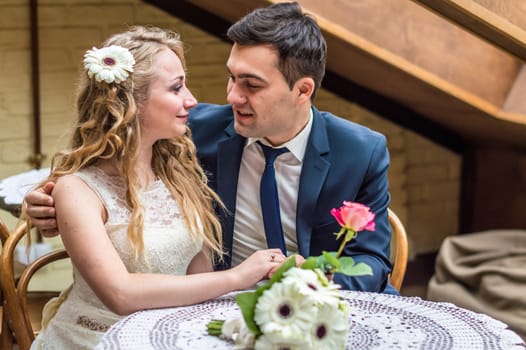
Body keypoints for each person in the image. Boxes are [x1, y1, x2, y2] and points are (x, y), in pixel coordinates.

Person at [25, 2, 396, 294]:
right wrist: (44, 199)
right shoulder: (189, 129)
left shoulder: (360, 152)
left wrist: (313, 278)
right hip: (218, 301)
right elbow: (107, 161)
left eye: (251, 84)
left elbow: (372, 263)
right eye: (232, 76)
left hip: (320, 304)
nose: (231, 96)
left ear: (302, 91)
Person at [27, 25, 287, 350]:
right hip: (97, 340)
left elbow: (198, 280)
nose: (192, 100)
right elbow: (120, 294)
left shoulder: (180, 176)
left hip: (172, 335)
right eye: (177, 88)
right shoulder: (79, 190)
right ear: (129, 102)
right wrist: (239, 276)